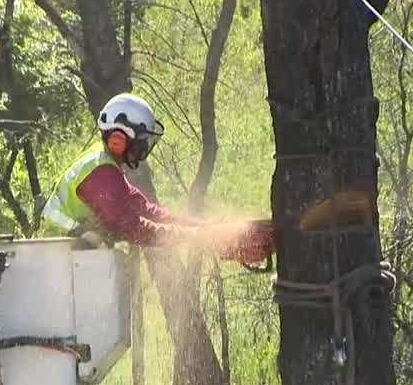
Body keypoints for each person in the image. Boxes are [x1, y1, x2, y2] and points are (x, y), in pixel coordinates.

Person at [41, 93, 273, 264]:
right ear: (118, 139)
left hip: (69, 261)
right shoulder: (101, 174)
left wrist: (215, 231)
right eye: (142, 141)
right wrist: (201, 237)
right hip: (55, 262)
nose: (144, 149)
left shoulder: (106, 167)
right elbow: (135, 228)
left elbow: (149, 211)